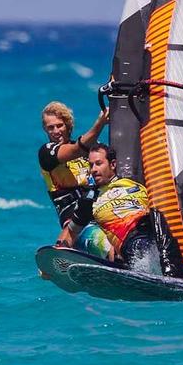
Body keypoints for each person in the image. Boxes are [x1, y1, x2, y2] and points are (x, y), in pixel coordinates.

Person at [61, 144, 183, 278]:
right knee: (146, 236)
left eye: (98, 164)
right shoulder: (89, 200)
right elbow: (70, 232)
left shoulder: (135, 185)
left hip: (153, 232)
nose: (94, 170)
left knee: (156, 214)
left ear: (113, 164)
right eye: (91, 165)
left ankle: (179, 275)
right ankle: (172, 274)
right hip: (131, 240)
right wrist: (56, 256)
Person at [37, 102, 112, 258]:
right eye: (50, 127)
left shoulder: (92, 149)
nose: (56, 131)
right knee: (106, 245)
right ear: (45, 129)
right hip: (76, 222)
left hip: (103, 210)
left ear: (68, 125)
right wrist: (100, 123)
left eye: (60, 126)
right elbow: (76, 150)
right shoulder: (46, 152)